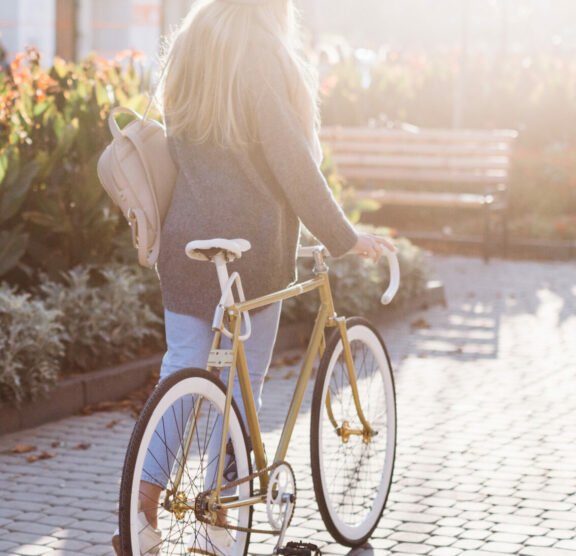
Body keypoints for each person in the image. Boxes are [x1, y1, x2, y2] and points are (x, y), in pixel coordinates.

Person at [111, 0, 395, 554]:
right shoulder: (264, 50)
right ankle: (223, 520)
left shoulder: (194, 36)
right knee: (241, 392)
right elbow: (292, 160)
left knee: (185, 375)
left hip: (186, 240)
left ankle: (140, 512)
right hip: (253, 250)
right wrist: (343, 237)